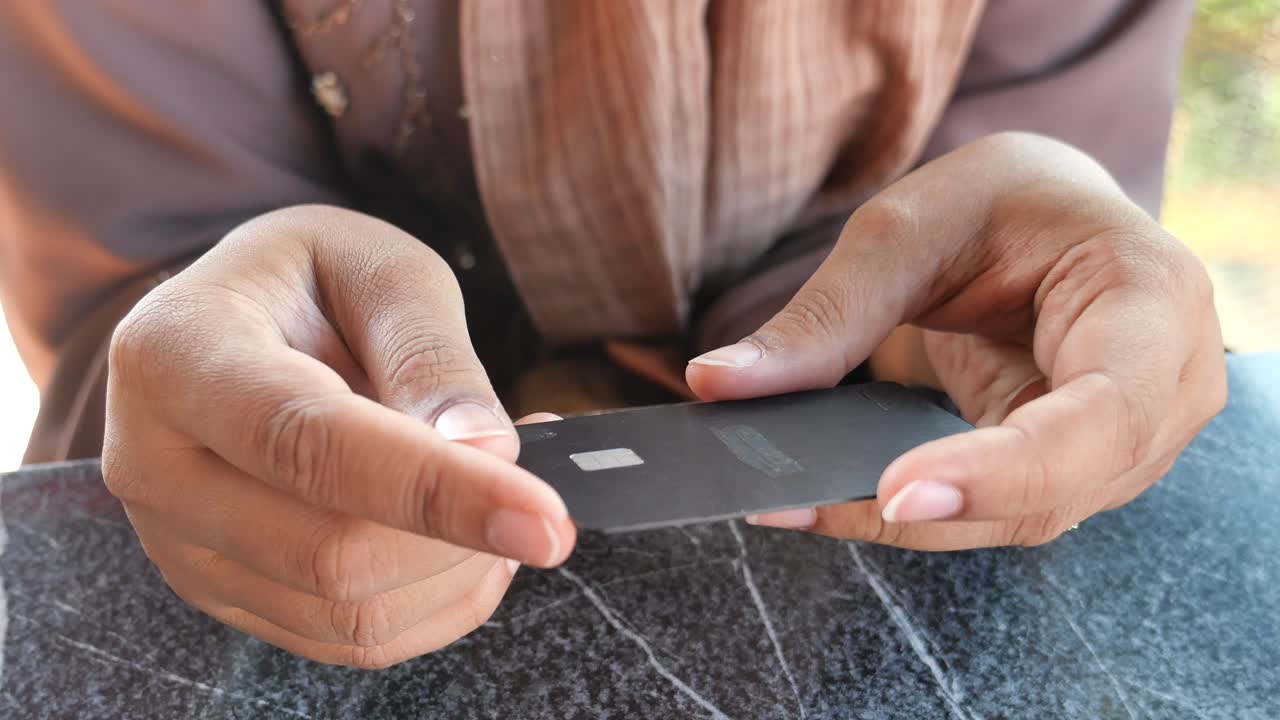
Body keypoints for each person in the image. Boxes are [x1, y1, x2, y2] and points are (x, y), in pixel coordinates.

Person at [0, 1, 1225, 668]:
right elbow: (156, 285)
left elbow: (1033, 210)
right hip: (324, 596)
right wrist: (223, 366)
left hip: (850, 611)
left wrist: (961, 294)